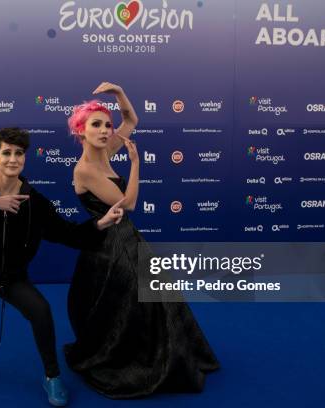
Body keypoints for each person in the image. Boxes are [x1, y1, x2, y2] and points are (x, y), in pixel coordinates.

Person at [0, 127, 124, 407]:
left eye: (19, 154)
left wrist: (102, 222)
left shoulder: (35, 203)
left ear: (24, 158)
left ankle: (51, 376)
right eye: (6, 153)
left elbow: (69, 234)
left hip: (5, 275)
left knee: (41, 312)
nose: (12, 159)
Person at [65, 83, 220, 398]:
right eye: (97, 124)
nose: (107, 129)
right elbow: (128, 204)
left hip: (126, 238)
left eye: (107, 124)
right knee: (134, 302)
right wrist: (136, 164)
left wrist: (119, 93)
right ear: (80, 130)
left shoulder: (107, 151)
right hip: (111, 247)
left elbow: (131, 121)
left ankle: (159, 353)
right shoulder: (85, 169)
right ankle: (136, 360)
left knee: (155, 298)